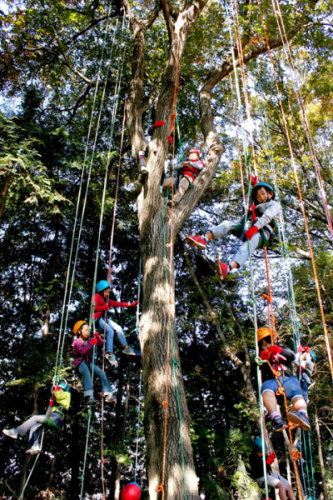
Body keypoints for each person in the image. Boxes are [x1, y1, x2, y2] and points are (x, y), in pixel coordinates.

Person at [186, 181, 281, 279]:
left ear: (270, 193)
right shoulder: (256, 207)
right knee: (228, 224)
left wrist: (254, 228)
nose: (261, 197)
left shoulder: (274, 205)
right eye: (258, 196)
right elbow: (247, 215)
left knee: (247, 246)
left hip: (262, 234)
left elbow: (267, 217)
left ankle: (227, 268)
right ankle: (203, 238)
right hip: (249, 231)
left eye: (263, 194)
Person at [257, 327, 310, 432]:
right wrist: (262, 360)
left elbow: (291, 355)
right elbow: (261, 370)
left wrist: (279, 350)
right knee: (266, 387)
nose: (267, 346)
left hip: (288, 377)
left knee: (295, 392)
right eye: (263, 345)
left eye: (268, 342)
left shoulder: (282, 349)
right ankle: (276, 417)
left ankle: (303, 414)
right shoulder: (263, 357)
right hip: (275, 381)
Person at [2, 381, 71, 455]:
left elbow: (58, 395)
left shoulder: (67, 394)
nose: (58, 390)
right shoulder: (59, 401)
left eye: (59, 389)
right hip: (53, 416)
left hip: (57, 417)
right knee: (35, 427)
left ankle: (16, 432)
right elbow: (51, 406)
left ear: (63, 389)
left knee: (34, 418)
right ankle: (36, 446)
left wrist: (56, 390)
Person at [94, 280, 139, 366]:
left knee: (118, 328)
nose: (108, 294)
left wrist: (131, 305)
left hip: (104, 318)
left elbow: (118, 303)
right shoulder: (97, 296)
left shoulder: (106, 300)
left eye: (108, 292)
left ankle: (126, 348)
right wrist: (104, 306)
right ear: (101, 291)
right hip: (97, 319)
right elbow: (94, 308)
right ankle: (109, 354)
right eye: (106, 292)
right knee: (110, 331)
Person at [73, 320, 116, 405]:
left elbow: (100, 343)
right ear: (79, 331)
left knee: (101, 372)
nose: (87, 332)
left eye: (88, 330)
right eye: (85, 330)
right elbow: (82, 351)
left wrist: (98, 338)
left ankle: (108, 393)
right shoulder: (76, 342)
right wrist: (91, 343)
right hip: (80, 362)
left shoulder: (89, 339)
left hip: (88, 362)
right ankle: (89, 396)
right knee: (87, 373)